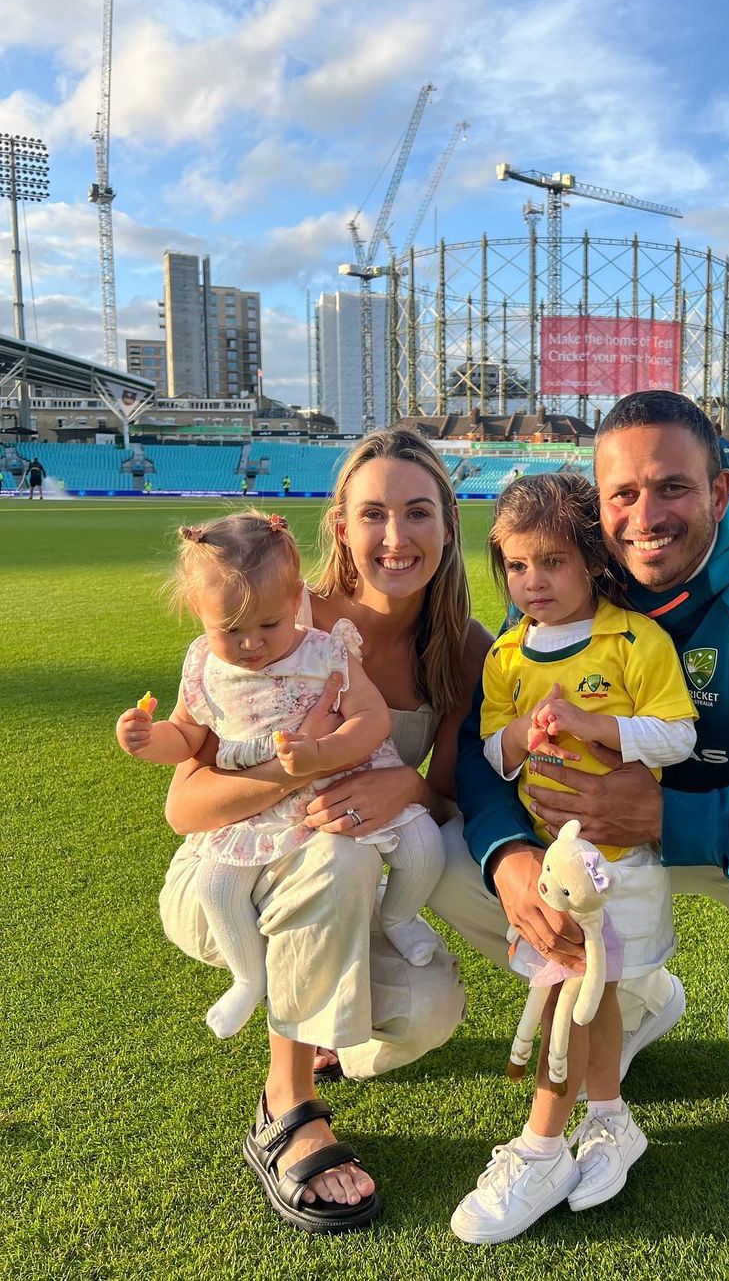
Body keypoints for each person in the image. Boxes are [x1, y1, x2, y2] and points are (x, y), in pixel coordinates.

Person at [442, 390, 729, 1173]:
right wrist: (507, 856)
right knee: (456, 865)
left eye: (673, 488)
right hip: (600, 849)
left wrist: (664, 815)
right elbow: (477, 744)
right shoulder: (578, 586)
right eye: (623, 494)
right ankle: (638, 1001)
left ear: (720, 492)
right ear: (599, 508)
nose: (645, 517)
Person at [159, 429, 485, 1232]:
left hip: (353, 899)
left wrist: (403, 780)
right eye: (373, 514)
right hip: (232, 883)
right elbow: (185, 806)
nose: (396, 537)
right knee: (334, 858)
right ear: (340, 525)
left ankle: (321, 1023)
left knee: (431, 1012)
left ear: (448, 522)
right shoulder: (276, 616)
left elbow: (446, 789)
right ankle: (288, 1100)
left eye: (418, 512)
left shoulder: (465, 648)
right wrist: (293, 769)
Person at [451, 472, 697, 1244]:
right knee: (594, 997)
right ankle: (612, 1120)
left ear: (590, 559)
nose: (532, 583)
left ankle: (542, 1145)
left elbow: (679, 736)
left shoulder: (633, 639)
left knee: (572, 999)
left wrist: (597, 727)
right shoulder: (507, 655)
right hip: (553, 871)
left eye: (551, 563)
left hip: (620, 863)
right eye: (517, 567)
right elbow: (490, 754)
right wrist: (523, 737)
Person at [117, 510, 445, 1038]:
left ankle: (400, 919)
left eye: (268, 624)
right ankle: (248, 979)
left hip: (341, 782)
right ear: (197, 613)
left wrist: (325, 752)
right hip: (261, 810)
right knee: (217, 883)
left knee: (423, 847)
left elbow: (371, 715)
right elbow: (186, 734)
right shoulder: (204, 666)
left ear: (297, 600)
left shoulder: (324, 649)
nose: (251, 645)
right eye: (230, 630)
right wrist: (145, 739)